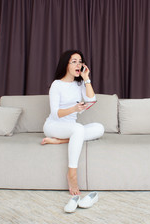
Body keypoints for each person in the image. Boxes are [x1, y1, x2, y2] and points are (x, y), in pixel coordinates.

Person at [42, 50, 105, 196]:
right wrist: (74, 109)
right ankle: (72, 174)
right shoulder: (56, 85)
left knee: (99, 128)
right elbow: (55, 113)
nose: (79, 64)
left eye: (80, 61)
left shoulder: (80, 84)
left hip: (70, 129)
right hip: (54, 126)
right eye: (74, 61)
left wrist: (86, 78)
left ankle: (61, 141)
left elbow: (91, 100)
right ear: (66, 65)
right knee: (78, 129)